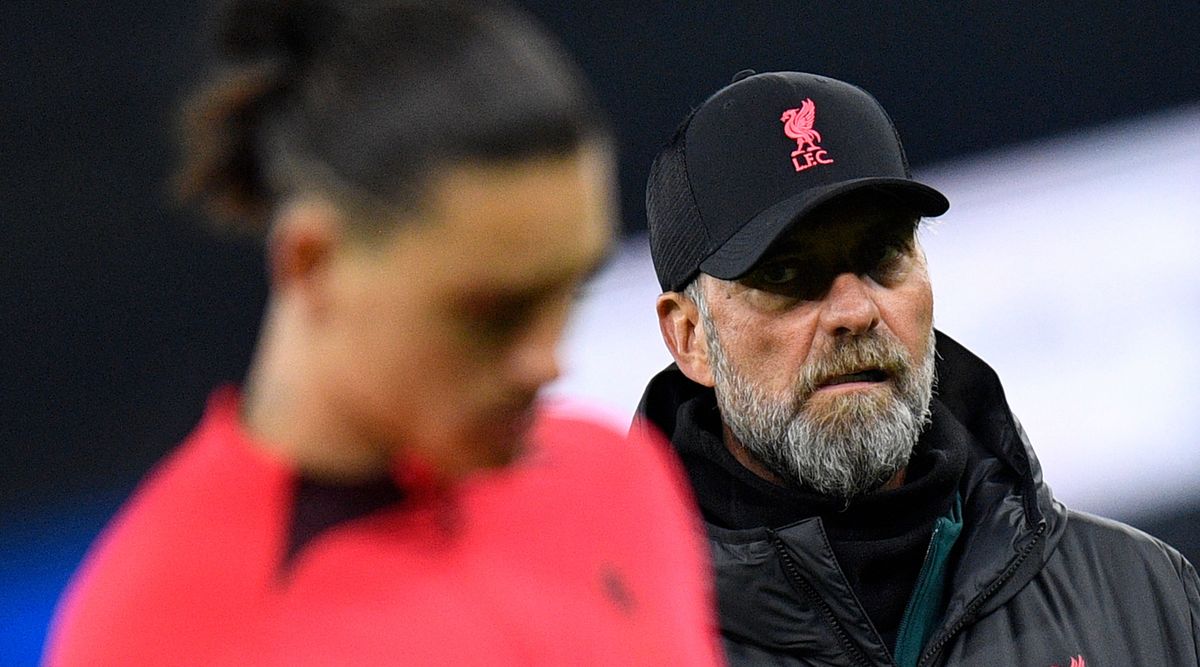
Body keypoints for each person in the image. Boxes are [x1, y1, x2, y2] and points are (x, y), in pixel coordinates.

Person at [44, 2, 722, 665]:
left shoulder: (616, 478)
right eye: (491, 313)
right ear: (311, 263)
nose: (546, 361)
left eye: (568, 292)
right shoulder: (163, 630)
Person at [636, 69, 1200, 665]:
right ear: (690, 337)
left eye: (883, 255)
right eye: (784, 274)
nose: (854, 311)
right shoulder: (613, 640)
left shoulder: (1140, 593)